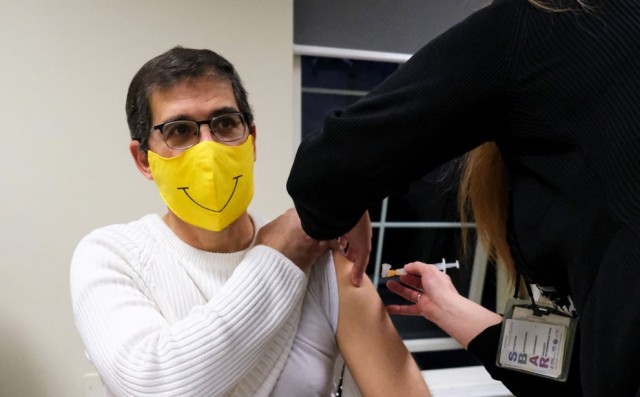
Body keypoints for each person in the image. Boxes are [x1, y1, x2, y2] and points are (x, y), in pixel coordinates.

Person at [286, 0, 640, 396]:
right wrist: (449, 309)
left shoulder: (537, 25)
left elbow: (323, 176)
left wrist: (344, 204)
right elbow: (578, 374)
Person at [70, 46, 429, 397]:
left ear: (252, 140)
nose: (208, 149)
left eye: (225, 124)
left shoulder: (323, 264)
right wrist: (282, 250)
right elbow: (152, 385)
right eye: (180, 131)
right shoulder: (112, 257)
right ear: (144, 160)